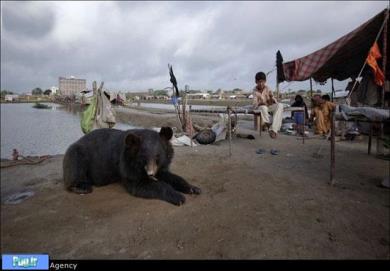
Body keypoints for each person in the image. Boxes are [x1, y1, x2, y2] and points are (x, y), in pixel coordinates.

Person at [252, 71, 284, 139]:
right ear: (256, 82)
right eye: (259, 82)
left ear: (265, 81)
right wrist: (260, 103)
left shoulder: (268, 88)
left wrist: (272, 100)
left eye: (262, 82)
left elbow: (273, 100)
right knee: (263, 107)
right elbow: (254, 104)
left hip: (268, 106)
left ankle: (273, 130)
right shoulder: (254, 91)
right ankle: (267, 124)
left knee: (280, 105)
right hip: (261, 107)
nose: (261, 84)